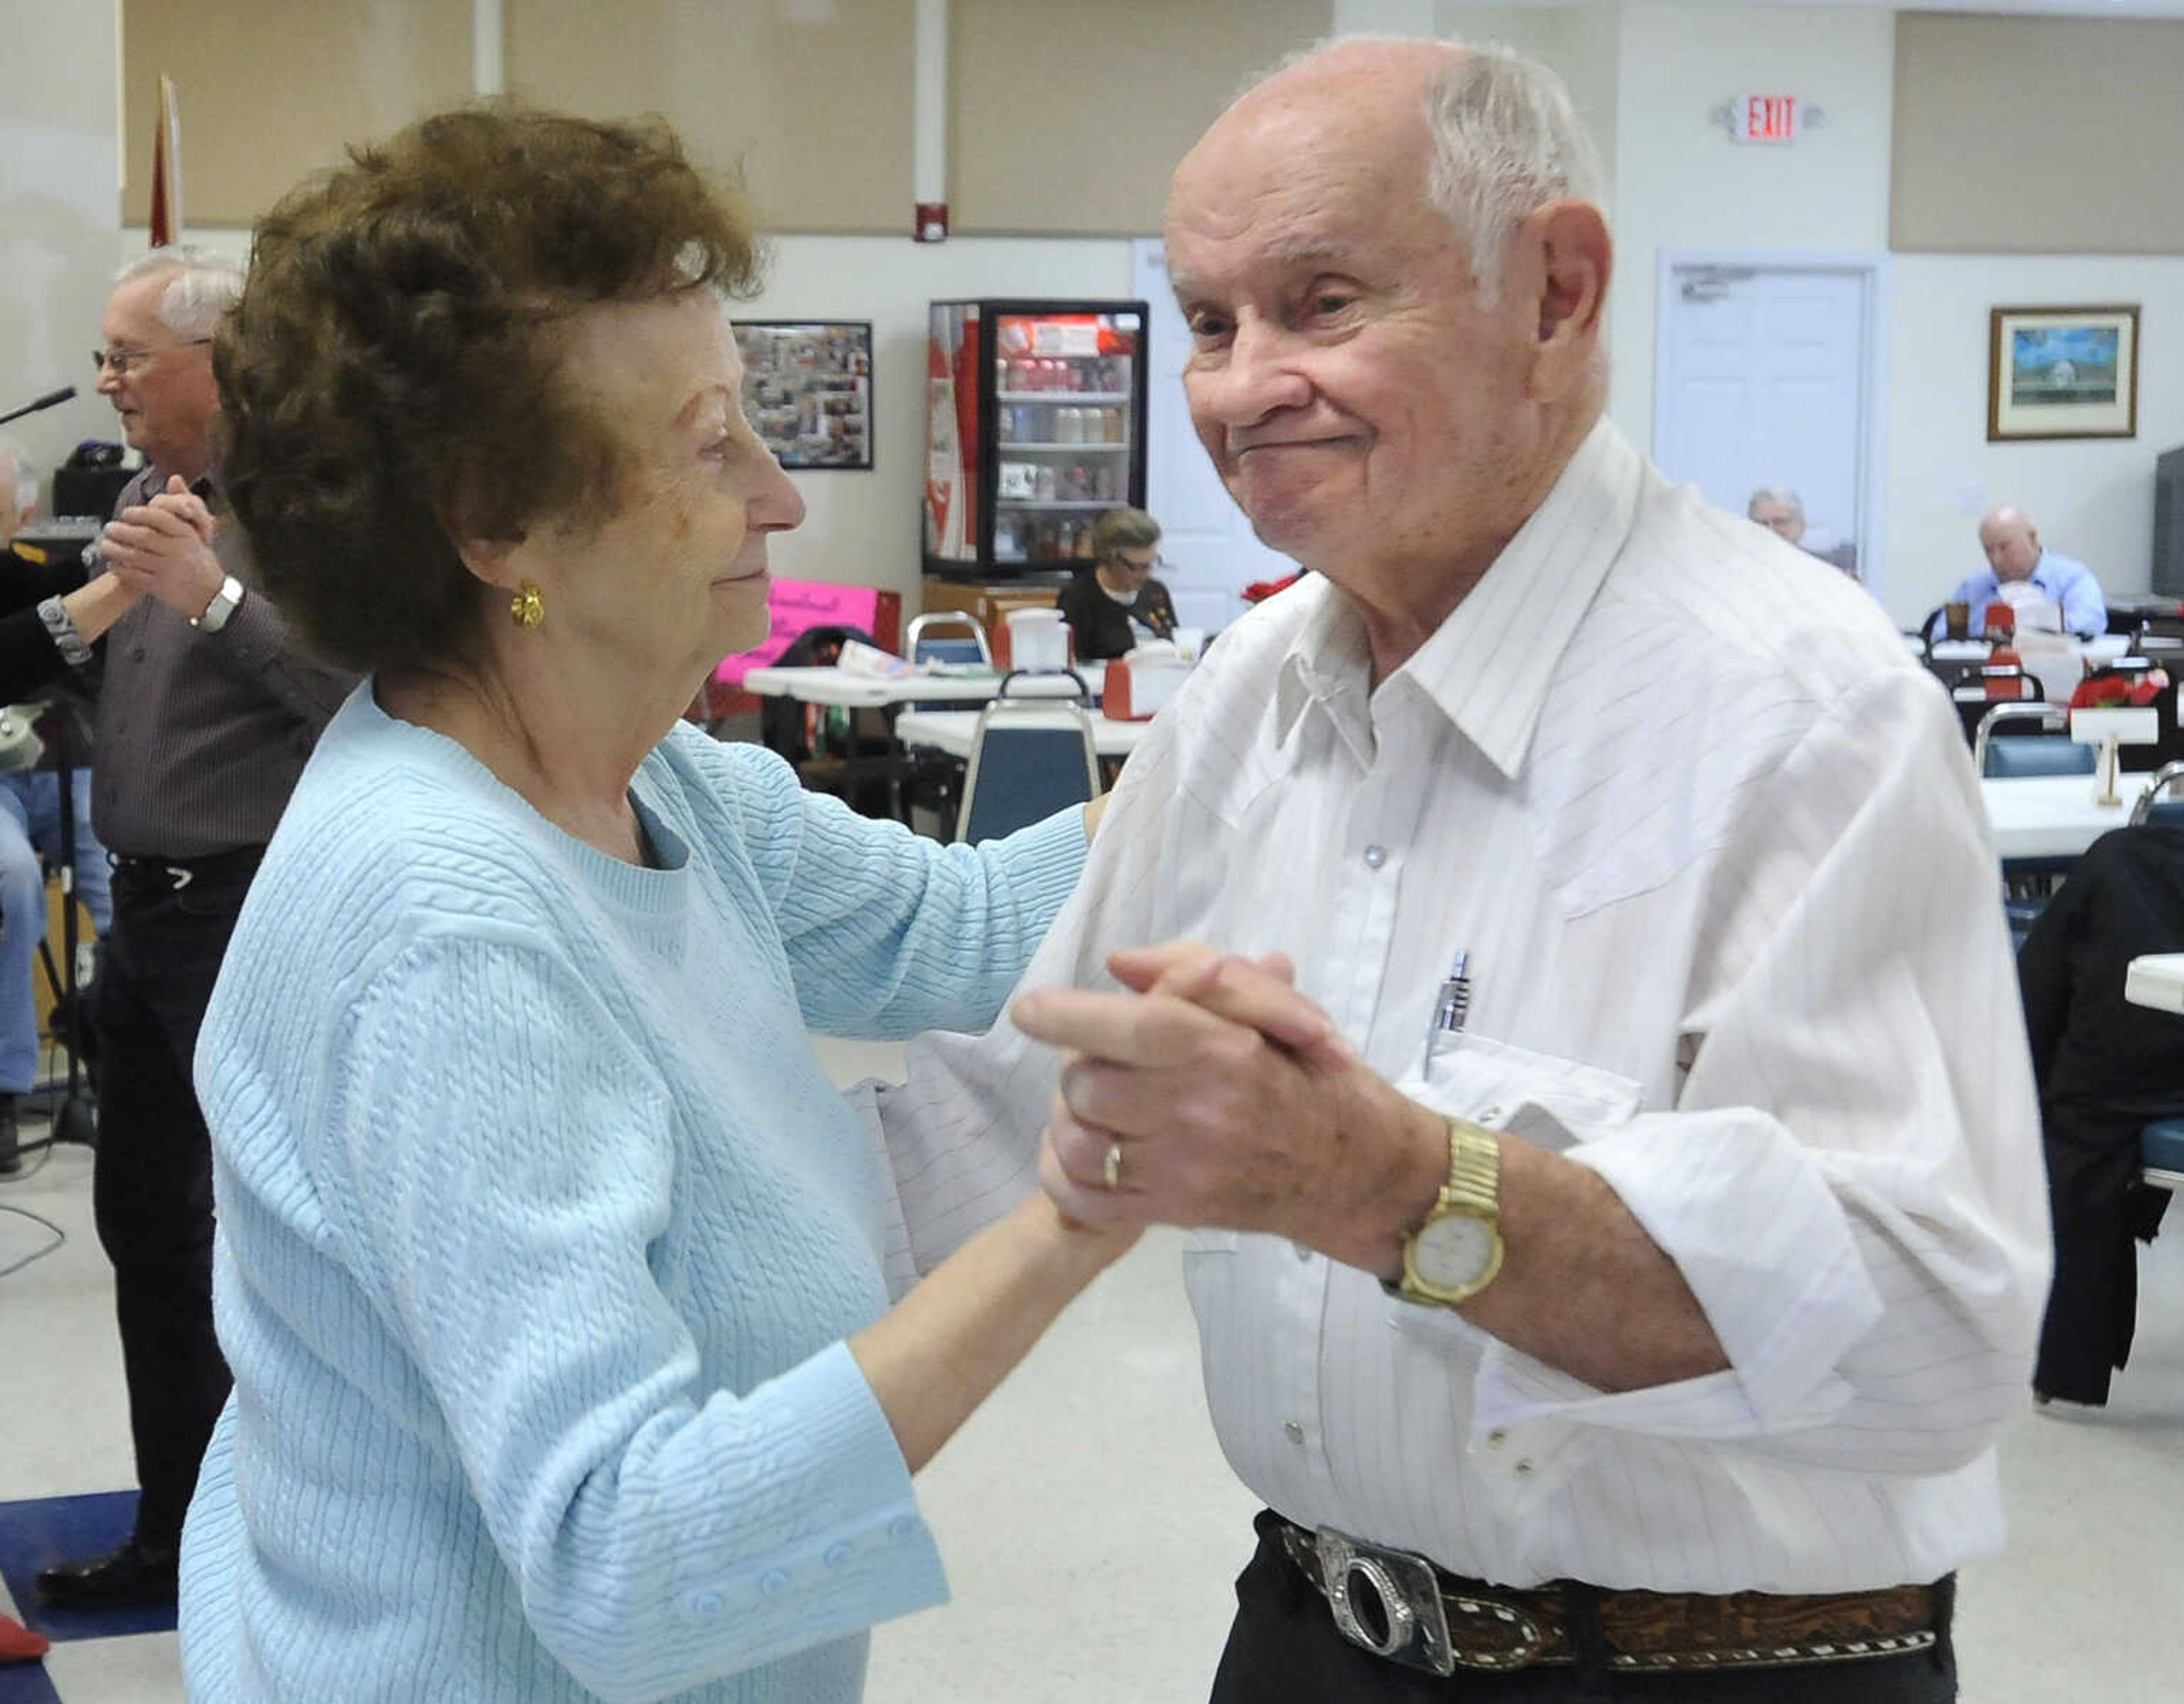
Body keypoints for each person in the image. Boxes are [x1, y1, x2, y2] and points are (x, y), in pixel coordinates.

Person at [882, 37, 2049, 1702]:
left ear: (1554, 291)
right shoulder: (1247, 699)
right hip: (1303, 1628)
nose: (1237, 385)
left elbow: (1922, 1331)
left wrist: (1389, 1182)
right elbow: (1009, 1109)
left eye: (1321, 300)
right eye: (1207, 323)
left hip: (1691, 1670)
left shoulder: (1800, 711)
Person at [171, 107, 1223, 1704]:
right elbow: (630, 1564)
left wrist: (1257, 732)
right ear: (497, 524)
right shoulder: (447, 926)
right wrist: (1077, 1222)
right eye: (709, 439)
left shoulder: (659, 784)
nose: (784, 499)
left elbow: (971, 927)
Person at [34, 247, 358, 1612]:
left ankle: (301, 1546)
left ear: (220, 364)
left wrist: (217, 598)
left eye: (126, 357)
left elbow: (365, 698)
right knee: (146, 1240)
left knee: (277, 1257)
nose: (105, 382)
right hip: (144, 923)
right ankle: (179, 1532)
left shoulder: (316, 504)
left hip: (252, 915)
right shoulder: (139, 490)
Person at [2017, 825, 2184, 1407]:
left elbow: (2036, 993)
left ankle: (2065, 1363)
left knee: (2077, 1123)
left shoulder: (2118, 860)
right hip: (2137, 1068)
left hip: (2113, 1084)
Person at [0, 440, 114, 1175]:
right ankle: (7, 1087)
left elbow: (54, 609)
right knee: (10, 882)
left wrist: (110, 557)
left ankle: (108, 1033)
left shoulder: (28, 573)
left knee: (131, 866)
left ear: (25, 513)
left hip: (61, 767)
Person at [1931, 505, 2106, 640]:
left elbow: (2090, 625)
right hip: (1977, 680)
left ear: (2032, 539)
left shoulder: (2073, 579)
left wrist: (2031, 630)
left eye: (2004, 548)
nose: (1996, 559)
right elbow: (1938, 638)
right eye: (1989, 551)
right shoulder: (1972, 589)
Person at [1054, 506, 1178, 662]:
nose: (1147, 575)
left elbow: (1172, 644)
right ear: (1110, 559)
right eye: (1137, 567)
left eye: (1151, 564)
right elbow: (1074, 663)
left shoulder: (1155, 592)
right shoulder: (1078, 598)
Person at [1747, 485, 1858, 580]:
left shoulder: (1829, 571)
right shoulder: (1737, 569)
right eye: (1762, 523)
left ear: (1801, 527)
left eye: (1779, 522)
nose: (1770, 530)